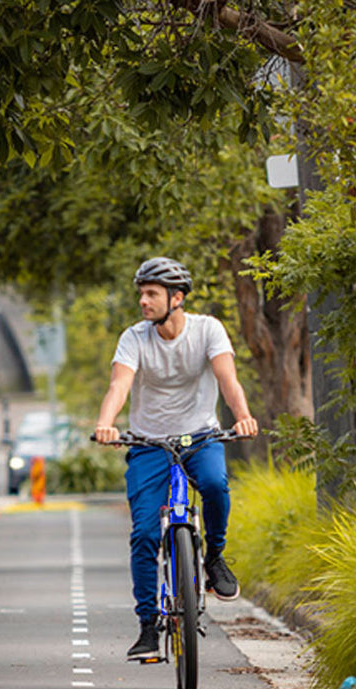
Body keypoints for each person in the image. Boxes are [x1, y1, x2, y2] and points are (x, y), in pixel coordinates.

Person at [93, 256, 260, 661]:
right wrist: (105, 423)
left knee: (217, 486)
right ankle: (148, 627)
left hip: (200, 436)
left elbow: (228, 379)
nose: (143, 302)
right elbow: (120, 384)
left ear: (177, 297)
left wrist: (242, 418)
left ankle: (214, 559)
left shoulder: (208, 330)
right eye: (141, 294)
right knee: (145, 534)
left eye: (151, 294)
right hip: (149, 444)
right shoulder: (134, 338)